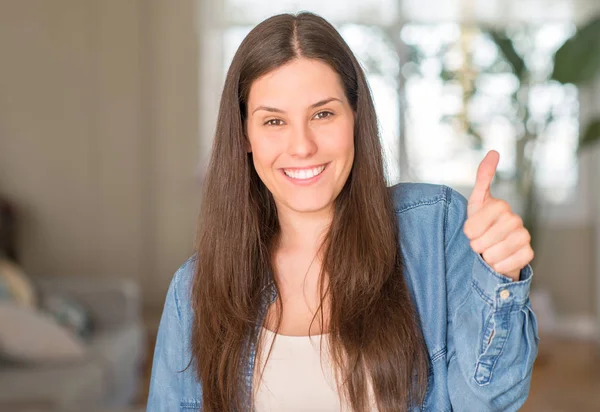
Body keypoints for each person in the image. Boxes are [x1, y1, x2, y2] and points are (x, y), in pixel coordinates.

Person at [147, 12, 538, 412]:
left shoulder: (434, 228)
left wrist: (499, 277)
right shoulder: (193, 290)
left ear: (355, 116)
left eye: (322, 114)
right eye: (274, 121)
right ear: (245, 136)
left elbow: (486, 401)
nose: (302, 146)